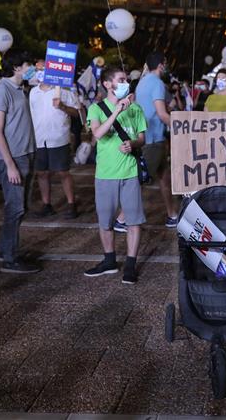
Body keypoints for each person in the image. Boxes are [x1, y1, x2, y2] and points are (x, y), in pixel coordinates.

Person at [84, 67, 147, 284]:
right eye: (120, 80)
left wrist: (134, 144)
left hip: (129, 173)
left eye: (126, 80)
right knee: (105, 222)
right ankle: (109, 261)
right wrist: (117, 112)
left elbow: (142, 138)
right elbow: (98, 134)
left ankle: (130, 264)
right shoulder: (96, 108)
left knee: (134, 221)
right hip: (105, 174)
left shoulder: (136, 108)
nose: (125, 83)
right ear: (107, 84)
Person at [0, 49, 41, 274]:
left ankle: (3, 248)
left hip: (26, 154)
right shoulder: (2, 90)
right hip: (13, 158)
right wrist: (9, 164)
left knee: (21, 207)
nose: (31, 68)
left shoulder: (20, 88)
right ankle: (10, 259)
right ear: (17, 67)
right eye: (28, 64)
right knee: (15, 208)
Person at [135, 51, 179, 227]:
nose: (166, 67)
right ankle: (122, 219)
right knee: (140, 181)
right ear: (161, 65)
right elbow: (161, 114)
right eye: (165, 63)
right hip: (153, 139)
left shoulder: (142, 82)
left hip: (153, 137)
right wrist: (182, 129)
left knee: (164, 178)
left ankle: (172, 215)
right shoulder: (157, 83)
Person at [29, 78, 81, 219]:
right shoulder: (33, 92)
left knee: (63, 172)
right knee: (42, 173)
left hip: (59, 138)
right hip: (40, 139)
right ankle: (47, 204)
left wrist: (62, 106)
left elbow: (78, 112)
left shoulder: (63, 90)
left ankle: (71, 204)